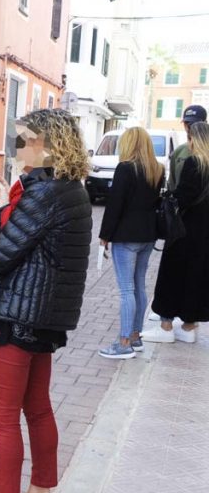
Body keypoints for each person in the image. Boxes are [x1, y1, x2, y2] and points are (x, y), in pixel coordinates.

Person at [0, 108, 92, 493]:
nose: (16, 149)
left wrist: (5, 209)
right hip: (46, 319)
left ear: (47, 143)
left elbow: (2, 255)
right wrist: (9, 207)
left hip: (16, 316)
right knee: (37, 408)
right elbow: (28, 241)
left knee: (2, 418)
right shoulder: (72, 190)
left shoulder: (44, 192)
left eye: (22, 140)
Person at [97, 127, 163, 359]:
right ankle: (135, 336)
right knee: (139, 286)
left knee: (126, 290)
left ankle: (123, 342)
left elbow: (115, 205)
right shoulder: (157, 169)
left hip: (126, 236)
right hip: (148, 235)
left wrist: (105, 235)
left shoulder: (125, 169)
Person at [143, 121, 209, 344]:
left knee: (172, 274)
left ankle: (166, 325)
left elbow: (184, 196)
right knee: (197, 277)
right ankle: (189, 326)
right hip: (205, 234)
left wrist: (168, 199)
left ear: (194, 139)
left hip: (185, 231)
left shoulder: (194, 163)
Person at [167, 105, 206, 192]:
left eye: (194, 123)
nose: (190, 127)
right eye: (187, 123)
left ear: (204, 123)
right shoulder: (179, 151)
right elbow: (172, 183)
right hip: (183, 203)